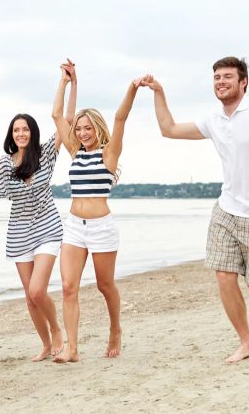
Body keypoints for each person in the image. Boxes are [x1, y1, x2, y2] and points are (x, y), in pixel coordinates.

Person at [138, 57, 249, 363]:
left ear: (243, 82)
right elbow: (169, 129)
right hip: (226, 210)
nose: (220, 82)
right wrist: (158, 92)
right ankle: (246, 342)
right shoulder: (214, 119)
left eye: (227, 76)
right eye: (216, 77)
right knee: (224, 276)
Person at [50, 60, 142, 363]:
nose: (83, 132)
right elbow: (57, 115)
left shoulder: (109, 153)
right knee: (67, 286)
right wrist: (67, 81)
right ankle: (72, 348)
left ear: (97, 129)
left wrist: (132, 87)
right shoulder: (75, 152)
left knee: (104, 285)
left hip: (102, 227)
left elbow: (120, 117)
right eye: (79, 128)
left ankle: (116, 329)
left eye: (88, 128)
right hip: (75, 225)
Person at [0, 92, 69, 362]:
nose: (20, 133)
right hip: (19, 233)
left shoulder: (45, 154)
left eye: (25, 129)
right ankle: (46, 344)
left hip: (47, 227)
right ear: (11, 134)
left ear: (32, 132)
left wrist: (68, 82)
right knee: (30, 297)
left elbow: (66, 120)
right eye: (16, 130)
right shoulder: (5, 162)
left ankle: (57, 330)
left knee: (38, 290)